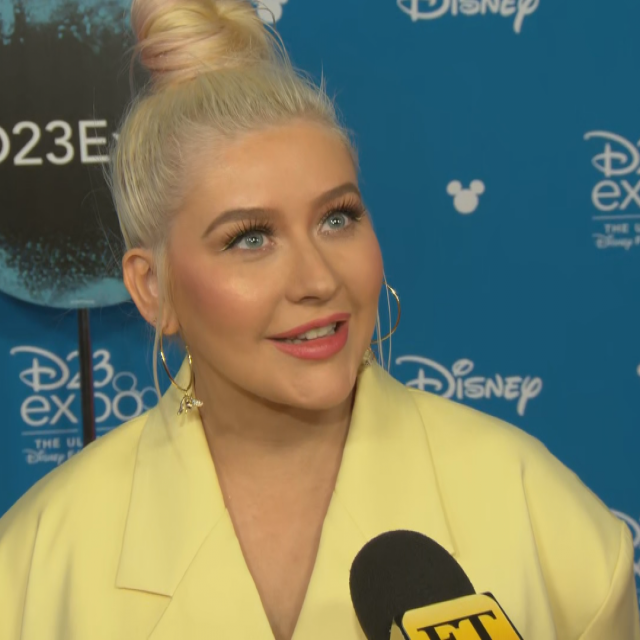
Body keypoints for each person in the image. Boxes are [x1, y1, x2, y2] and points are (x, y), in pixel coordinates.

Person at [0, 1, 639, 638]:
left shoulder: (549, 527)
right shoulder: (34, 566)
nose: (318, 280)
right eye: (250, 238)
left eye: (338, 219)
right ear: (152, 288)